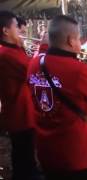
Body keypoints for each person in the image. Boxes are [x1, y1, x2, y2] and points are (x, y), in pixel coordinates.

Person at [28, 15, 87, 180]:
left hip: (47, 151)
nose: (80, 43)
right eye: (78, 39)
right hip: (78, 154)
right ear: (70, 41)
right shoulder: (78, 70)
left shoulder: (33, 64)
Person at [0, 11, 41, 180]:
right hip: (19, 114)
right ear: (5, 31)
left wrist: (22, 47)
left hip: (24, 111)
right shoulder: (6, 54)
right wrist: (43, 48)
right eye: (16, 26)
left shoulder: (12, 50)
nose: (20, 30)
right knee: (23, 152)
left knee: (25, 151)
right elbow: (34, 71)